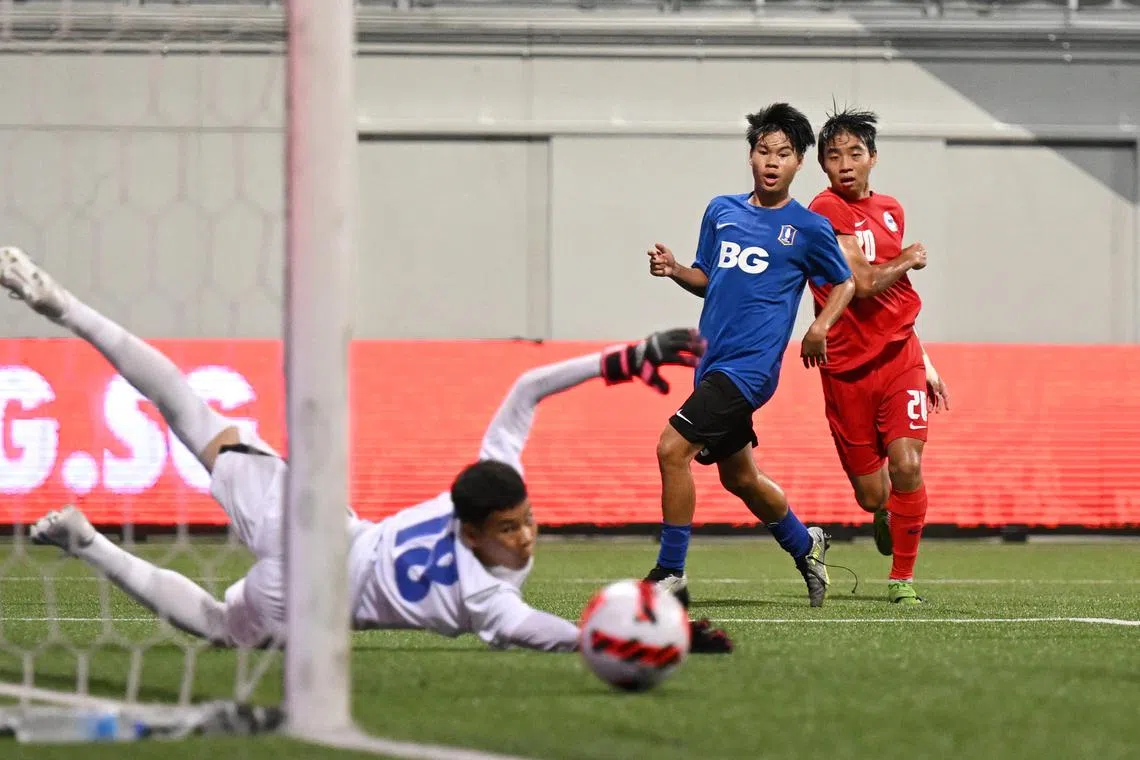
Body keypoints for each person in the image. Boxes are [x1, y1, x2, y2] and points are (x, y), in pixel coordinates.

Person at [0, 246, 731, 652]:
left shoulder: (487, 494)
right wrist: (655, 640)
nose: (526, 535)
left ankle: (67, 315)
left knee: (193, 416)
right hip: (305, 591)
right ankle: (87, 538)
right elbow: (562, 636)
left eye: (525, 521)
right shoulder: (483, 599)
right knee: (218, 620)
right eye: (509, 529)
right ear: (469, 532)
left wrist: (625, 357)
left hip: (313, 524)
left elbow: (525, 390)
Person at [643, 103, 857, 608]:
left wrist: (819, 327)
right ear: (751, 155)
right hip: (711, 363)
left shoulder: (808, 228)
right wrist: (675, 269)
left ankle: (670, 572)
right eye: (763, 151)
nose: (771, 161)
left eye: (783, 153)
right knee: (739, 477)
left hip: (751, 369)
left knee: (672, 450)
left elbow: (845, 282)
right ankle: (807, 545)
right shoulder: (722, 211)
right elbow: (707, 278)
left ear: (799, 162)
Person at [807, 107, 951, 605]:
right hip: (846, 369)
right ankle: (885, 512)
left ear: (873, 157)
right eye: (833, 156)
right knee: (872, 495)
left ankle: (901, 579)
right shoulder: (824, 208)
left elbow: (895, 301)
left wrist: (925, 361)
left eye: (855, 153)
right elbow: (865, 283)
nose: (845, 164)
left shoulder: (891, 209)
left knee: (907, 463)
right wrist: (908, 257)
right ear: (822, 165)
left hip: (899, 357)